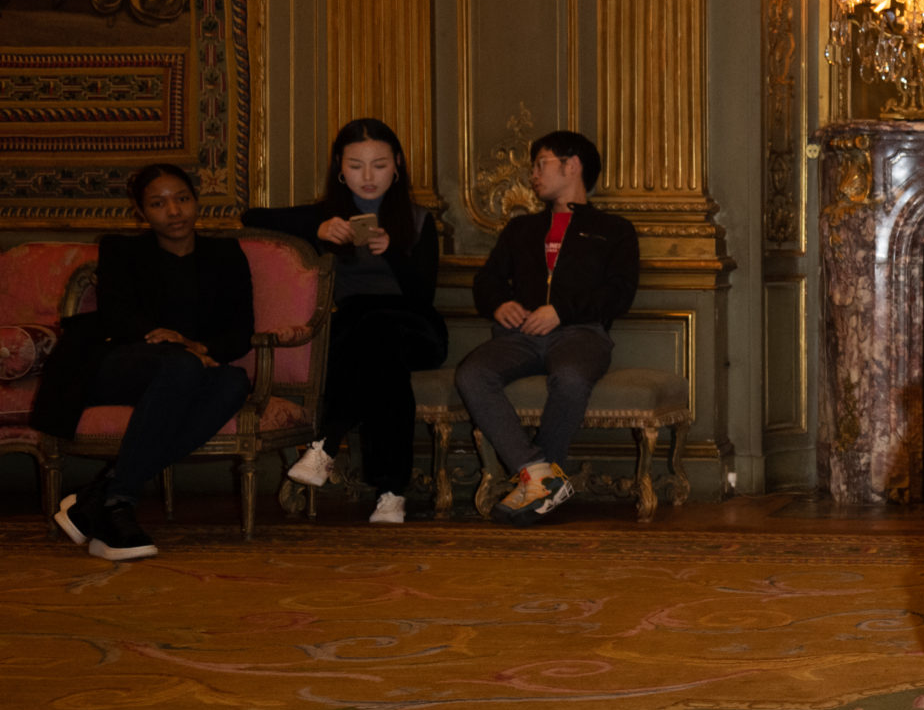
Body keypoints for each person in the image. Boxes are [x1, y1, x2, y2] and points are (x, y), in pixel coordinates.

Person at [38, 164, 253, 560]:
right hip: (116, 364)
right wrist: (170, 342)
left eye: (182, 199)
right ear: (141, 211)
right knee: (182, 366)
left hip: (188, 366)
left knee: (234, 382)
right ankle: (116, 502)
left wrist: (192, 345)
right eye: (158, 203)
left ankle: (104, 499)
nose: (174, 211)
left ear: (196, 200)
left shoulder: (225, 254)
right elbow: (118, 318)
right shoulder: (121, 250)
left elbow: (240, 332)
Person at [246, 118, 447, 523]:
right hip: (360, 332)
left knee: (374, 329)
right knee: (382, 364)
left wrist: (393, 252)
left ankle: (325, 443)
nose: (368, 177)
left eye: (379, 165)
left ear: (397, 165)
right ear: (340, 167)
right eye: (356, 165)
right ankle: (391, 492)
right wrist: (316, 227)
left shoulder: (417, 219)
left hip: (415, 328)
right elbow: (251, 217)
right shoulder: (327, 217)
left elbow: (422, 295)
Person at [459, 130, 638, 525]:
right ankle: (538, 474)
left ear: (572, 166)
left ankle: (540, 487)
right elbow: (487, 281)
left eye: (541, 164)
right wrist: (500, 303)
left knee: (571, 377)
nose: (533, 175)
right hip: (520, 335)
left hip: (582, 334)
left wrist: (561, 312)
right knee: (472, 373)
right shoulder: (521, 229)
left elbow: (619, 294)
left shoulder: (614, 229)